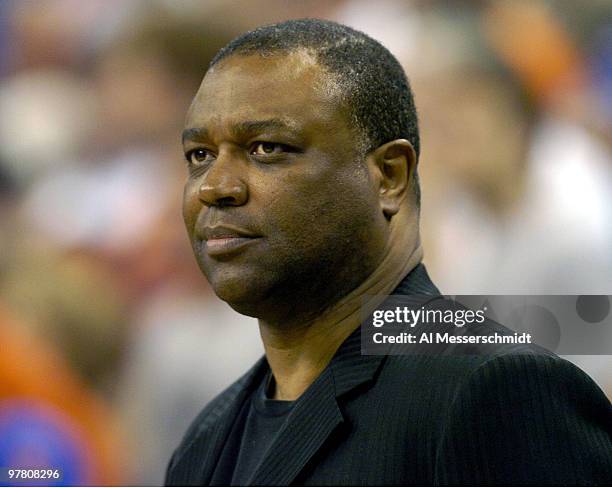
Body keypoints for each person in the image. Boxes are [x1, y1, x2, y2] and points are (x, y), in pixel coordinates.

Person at [166, 19, 612, 486]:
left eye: (267, 148)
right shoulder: (206, 439)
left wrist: (440, 332)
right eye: (198, 156)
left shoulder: (572, 231)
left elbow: (563, 337)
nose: (215, 186)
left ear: (390, 174)